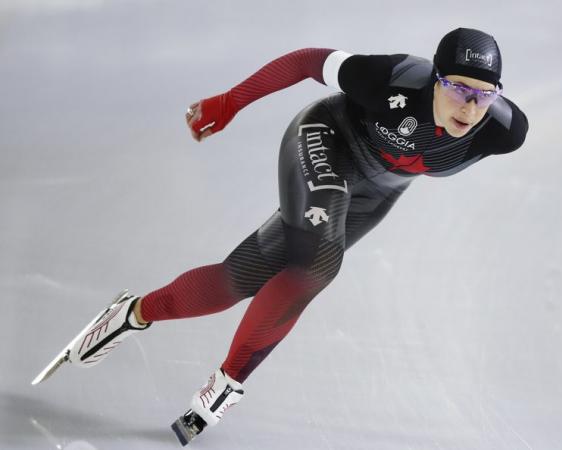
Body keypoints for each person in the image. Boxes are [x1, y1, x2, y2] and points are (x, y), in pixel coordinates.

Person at [64, 27, 528, 443]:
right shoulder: (391, 79)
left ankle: (133, 314)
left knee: (237, 283)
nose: (470, 106)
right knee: (319, 264)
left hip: (374, 194)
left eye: (483, 95)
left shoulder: (504, 131)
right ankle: (229, 382)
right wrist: (230, 101)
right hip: (327, 140)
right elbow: (308, 61)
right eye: (458, 88)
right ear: (435, 79)